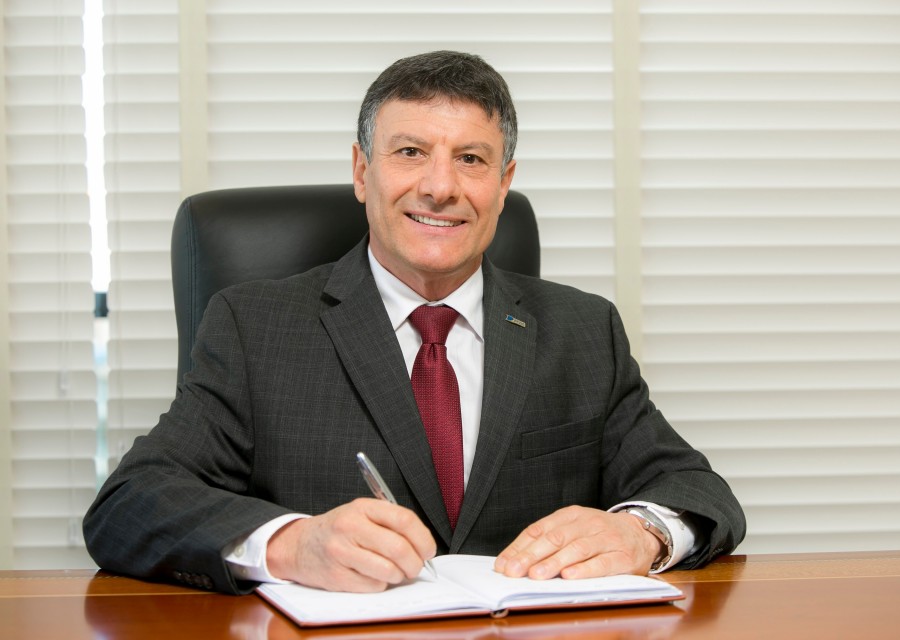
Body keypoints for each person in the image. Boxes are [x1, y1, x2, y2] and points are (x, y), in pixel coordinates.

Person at [83, 50, 746, 595]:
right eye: (409, 152)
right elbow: (130, 503)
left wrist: (640, 532)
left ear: (504, 183)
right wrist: (291, 544)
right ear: (361, 171)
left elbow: (696, 490)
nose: (439, 186)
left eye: (471, 159)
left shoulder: (582, 329)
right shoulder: (255, 327)